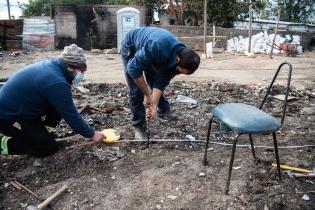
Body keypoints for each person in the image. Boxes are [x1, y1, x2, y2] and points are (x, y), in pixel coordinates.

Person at [0, 44, 105, 157]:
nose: (82, 75)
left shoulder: (55, 67)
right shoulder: (56, 82)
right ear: (70, 67)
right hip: (10, 116)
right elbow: (70, 114)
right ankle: (3, 144)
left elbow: (64, 106)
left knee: (58, 108)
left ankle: (44, 133)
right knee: (46, 147)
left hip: (24, 108)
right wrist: (92, 134)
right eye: (81, 70)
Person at [121, 27, 200, 140]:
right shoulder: (156, 47)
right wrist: (147, 95)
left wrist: (154, 104)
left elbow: (162, 80)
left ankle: (162, 108)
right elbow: (133, 69)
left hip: (152, 52)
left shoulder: (182, 56)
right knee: (136, 90)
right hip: (131, 46)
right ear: (177, 59)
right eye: (179, 71)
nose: (177, 73)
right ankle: (138, 125)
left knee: (154, 79)